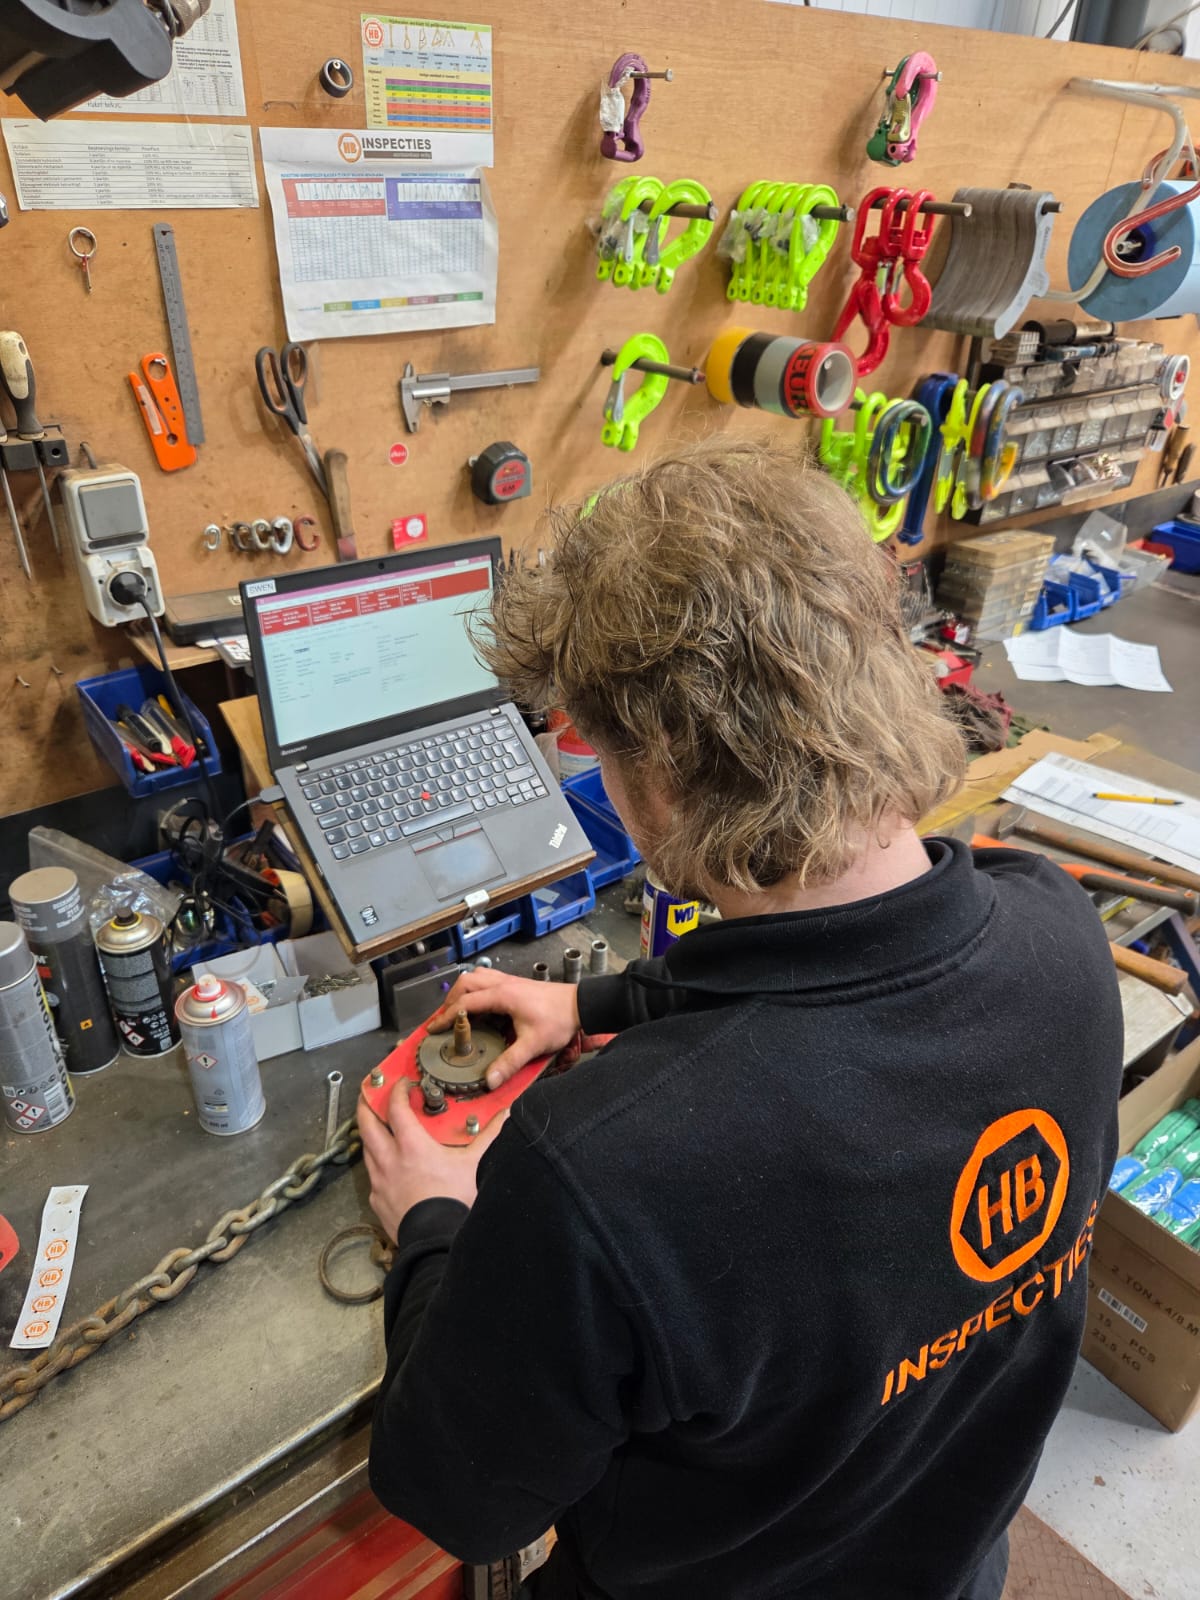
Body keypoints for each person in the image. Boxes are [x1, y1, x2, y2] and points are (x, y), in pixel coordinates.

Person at [357, 439, 1122, 1600]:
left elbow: (457, 1498)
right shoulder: (1056, 929)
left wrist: (433, 1222)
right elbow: (834, 972)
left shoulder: (602, 1167)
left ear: (659, 778)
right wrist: (596, 1002)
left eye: (600, 754)